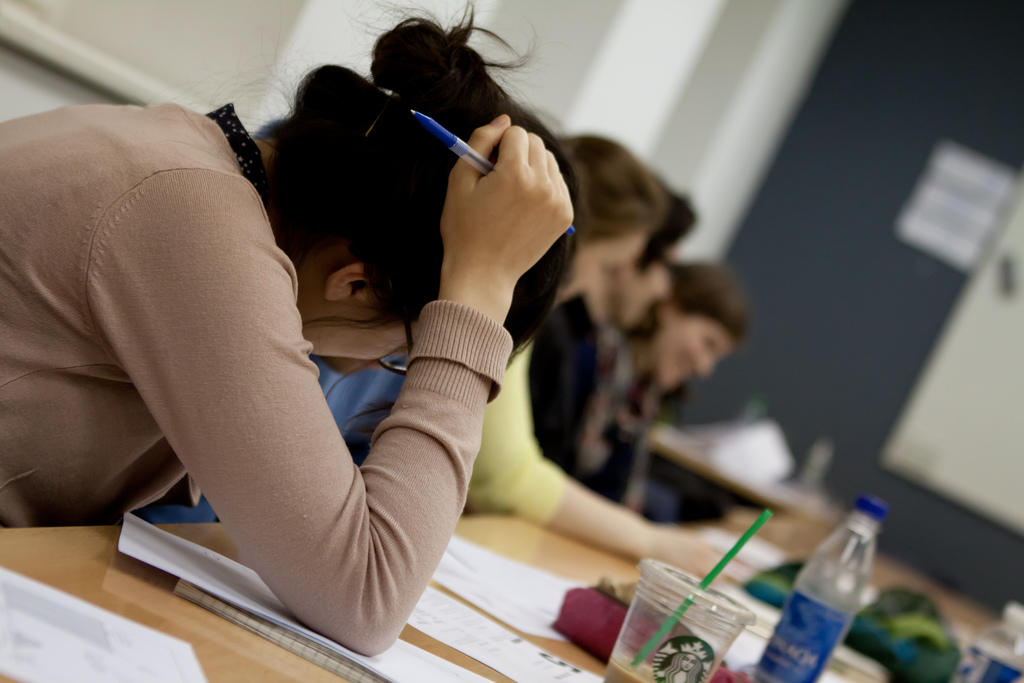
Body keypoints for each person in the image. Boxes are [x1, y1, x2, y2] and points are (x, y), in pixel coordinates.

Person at [0, 15, 575, 655]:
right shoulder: (193, 223)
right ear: (354, 284)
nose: (359, 375)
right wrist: (476, 299)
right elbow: (366, 599)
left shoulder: (190, 169)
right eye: (399, 358)